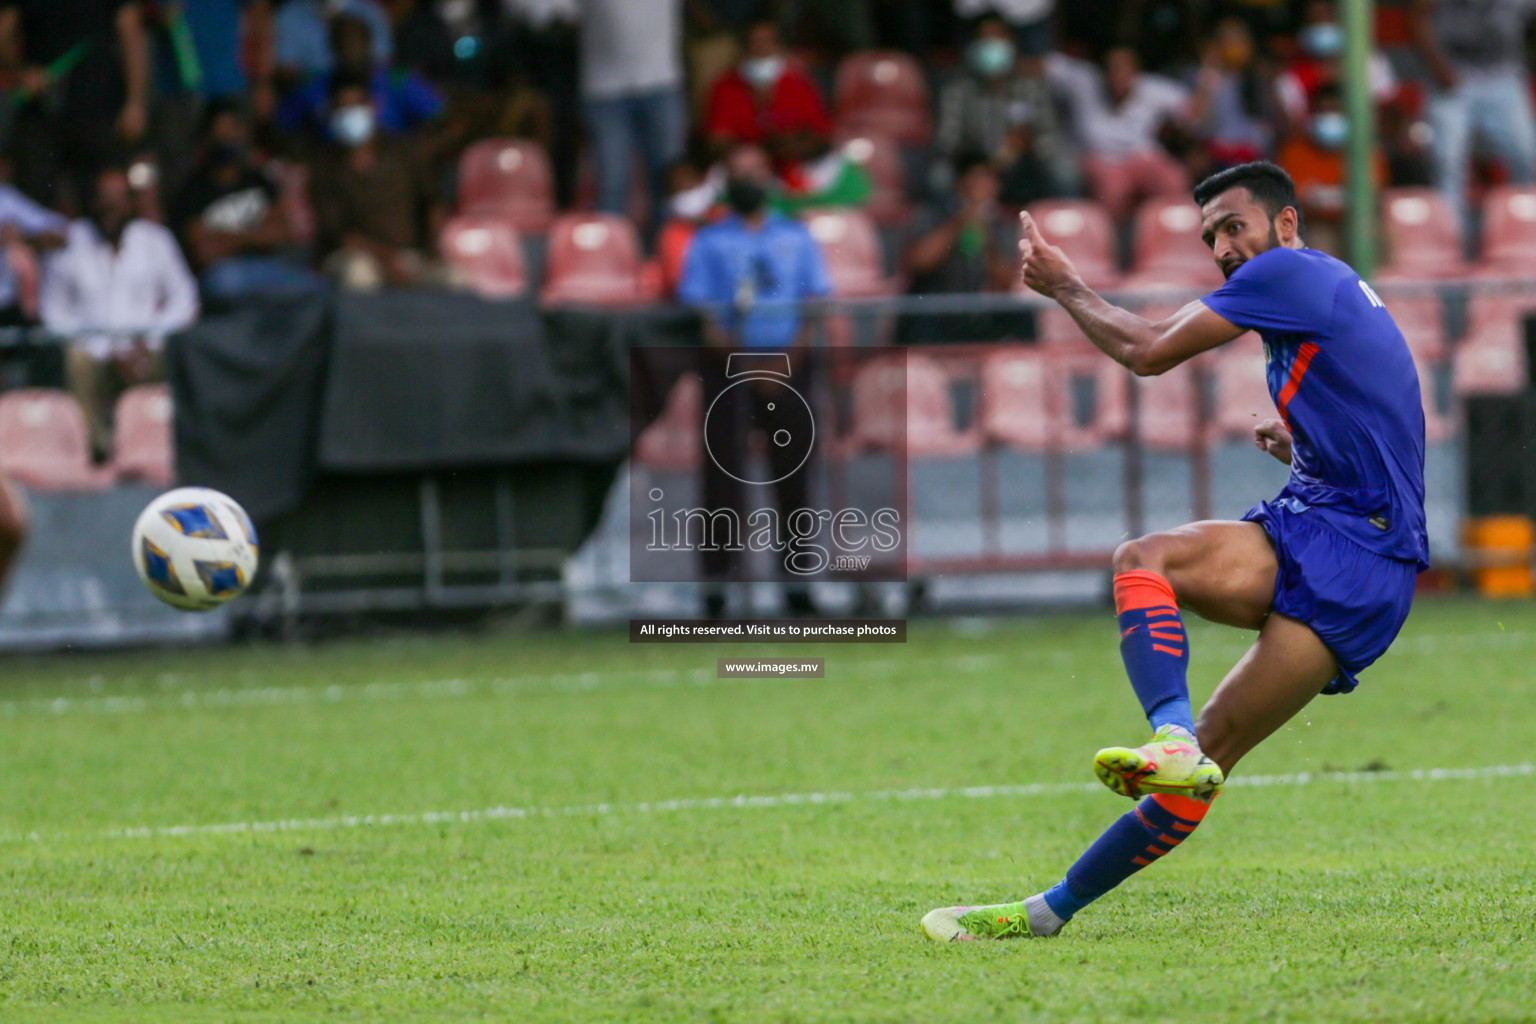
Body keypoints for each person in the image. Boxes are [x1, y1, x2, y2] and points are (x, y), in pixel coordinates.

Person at [923, 161, 1427, 941]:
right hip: (1373, 567)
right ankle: (1050, 911)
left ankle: (1169, 732)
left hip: (1341, 539)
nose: (1223, 247)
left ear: (1285, 225)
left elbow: (1150, 349)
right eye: (1211, 236)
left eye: (1235, 226)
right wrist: (1305, 446)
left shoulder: (1288, 271)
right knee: (1212, 760)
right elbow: (1389, 424)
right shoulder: (1322, 286)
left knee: (1143, 560)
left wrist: (1065, 286)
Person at [675, 143, 832, 619]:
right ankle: (718, 591)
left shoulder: (798, 236)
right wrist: (746, 366)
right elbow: (702, 312)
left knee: (794, 479)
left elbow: (814, 303)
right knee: (722, 480)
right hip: (728, 372)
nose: (748, 180)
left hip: (790, 369)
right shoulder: (708, 241)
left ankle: (798, 588)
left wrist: (783, 364)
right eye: (738, 173)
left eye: (755, 171)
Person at [42, 165, 199, 455]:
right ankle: (97, 451)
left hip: (147, 349)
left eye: (118, 198)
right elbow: (53, 311)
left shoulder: (155, 239)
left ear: (131, 202)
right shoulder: (70, 241)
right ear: (92, 202)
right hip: (94, 352)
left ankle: (162, 451)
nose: (110, 207)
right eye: (103, 198)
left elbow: (184, 296)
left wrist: (148, 340)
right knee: (77, 361)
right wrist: (105, 349)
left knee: (178, 353)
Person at [0, 0, 150, 214]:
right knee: (32, 206)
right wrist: (21, 72)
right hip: (40, 113)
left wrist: (135, 103)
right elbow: (5, 29)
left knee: (101, 201)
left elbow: (132, 34)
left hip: (99, 109)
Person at [307, 73, 446, 289]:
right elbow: (339, 234)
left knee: (455, 277)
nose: (350, 113)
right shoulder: (325, 165)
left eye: (357, 105)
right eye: (343, 107)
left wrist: (434, 252)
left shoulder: (403, 153)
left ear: (373, 106)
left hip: (407, 255)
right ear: (332, 112)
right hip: (353, 257)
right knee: (359, 273)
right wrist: (386, 259)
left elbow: (433, 203)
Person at [171, 101, 319, 303]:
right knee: (227, 281)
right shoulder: (193, 190)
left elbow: (283, 232)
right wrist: (255, 234)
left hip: (267, 267)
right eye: (220, 130)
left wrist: (225, 237)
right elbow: (203, 253)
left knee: (314, 287)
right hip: (223, 274)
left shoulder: (259, 181)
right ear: (206, 137)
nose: (227, 137)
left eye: (232, 128)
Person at [1409, 0, 1536, 230]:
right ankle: (1450, 238)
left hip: (1503, 79)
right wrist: (1439, 67)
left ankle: (1524, 230)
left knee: (1526, 153)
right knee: (1446, 161)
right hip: (1451, 80)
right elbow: (1417, 17)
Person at [1049, 46, 1212, 221]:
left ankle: (1173, 238)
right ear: (1104, 72)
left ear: (1136, 74)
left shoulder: (1151, 88)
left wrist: (1208, 80)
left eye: (1126, 70)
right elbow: (1042, 62)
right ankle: (1113, 244)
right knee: (1113, 191)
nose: (1120, 76)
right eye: (1114, 70)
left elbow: (1193, 114)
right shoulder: (1084, 81)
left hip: (1142, 157)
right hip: (1101, 160)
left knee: (1174, 180)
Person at [935, 15, 1077, 206]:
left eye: (997, 38)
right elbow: (947, 141)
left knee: (1064, 172)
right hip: (973, 166)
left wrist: (1028, 145)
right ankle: (953, 227)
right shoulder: (958, 88)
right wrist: (978, 166)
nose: (991, 45)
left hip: (1023, 167)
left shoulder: (1031, 86)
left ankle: (1060, 228)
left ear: (1011, 44)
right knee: (939, 176)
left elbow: (1048, 135)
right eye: (984, 39)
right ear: (973, 47)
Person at [577, 0, 687, 227]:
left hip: (661, 81)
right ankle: (608, 252)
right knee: (613, 180)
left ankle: (668, 252)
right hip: (605, 89)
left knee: (668, 178)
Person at [276, 11, 443, 141]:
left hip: (391, 166)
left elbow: (441, 118)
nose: (350, 51)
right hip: (330, 169)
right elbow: (282, 126)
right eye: (344, 43)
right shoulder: (314, 87)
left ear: (368, 44)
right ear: (333, 47)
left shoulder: (396, 81)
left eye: (356, 43)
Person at [703, 17, 832, 161]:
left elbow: (821, 132)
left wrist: (792, 145)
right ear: (744, 47)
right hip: (746, 167)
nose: (762, 48)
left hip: (797, 163)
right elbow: (717, 139)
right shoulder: (726, 86)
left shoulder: (800, 82)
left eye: (768, 42)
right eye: (755, 42)